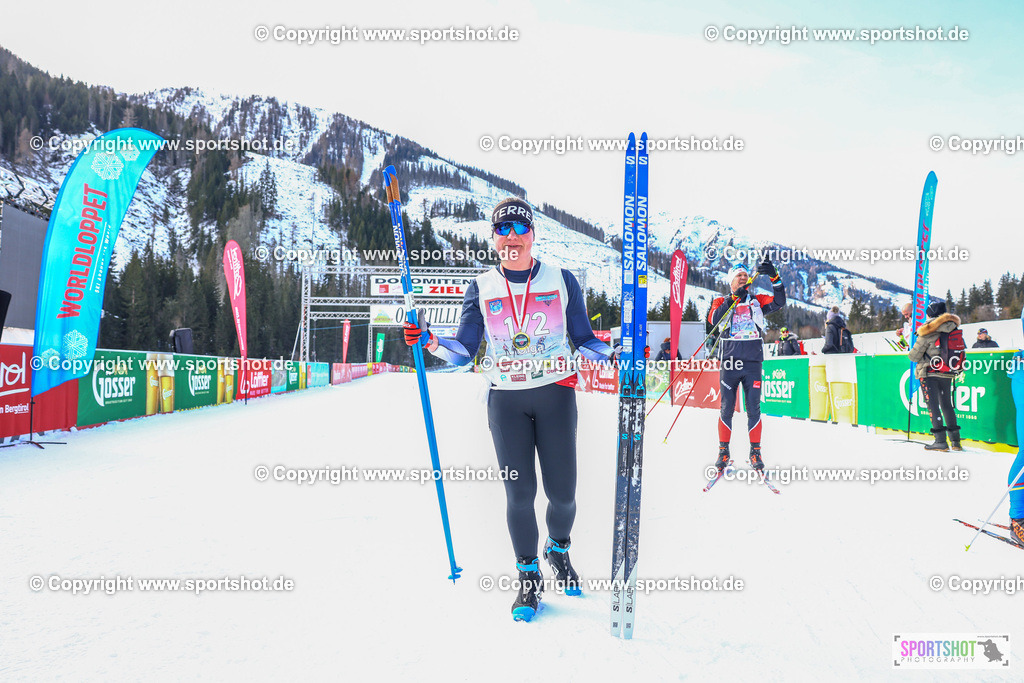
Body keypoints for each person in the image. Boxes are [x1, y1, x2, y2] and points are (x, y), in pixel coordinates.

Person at [403, 197, 614, 622]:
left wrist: (608, 353)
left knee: (563, 496)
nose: (512, 237)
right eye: (503, 230)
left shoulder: (562, 279)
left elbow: (584, 338)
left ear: (533, 234)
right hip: (506, 400)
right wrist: (431, 342)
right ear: (494, 240)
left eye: (520, 229)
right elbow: (463, 351)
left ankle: (557, 549)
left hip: (556, 393)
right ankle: (528, 578)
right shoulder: (481, 287)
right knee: (520, 494)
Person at [707, 258, 786, 473]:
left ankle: (755, 452)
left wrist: (774, 276)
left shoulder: (757, 300)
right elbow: (714, 319)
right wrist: (733, 299)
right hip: (730, 361)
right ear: (731, 281)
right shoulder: (720, 300)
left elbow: (779, 302)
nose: (742, 278)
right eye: (738, 276)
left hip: (752, 361)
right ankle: (723, 451)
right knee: (726, 408)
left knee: (754, 409)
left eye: (745, 275)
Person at [907, 301, 964, 451]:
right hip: (947, 372)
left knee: (933, 405)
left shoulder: (927, 330)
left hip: (929, 373)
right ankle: (956, 442)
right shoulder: (953, 328)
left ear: (930, 314)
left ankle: (940, 441)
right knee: (947, 405)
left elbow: (913, 356)